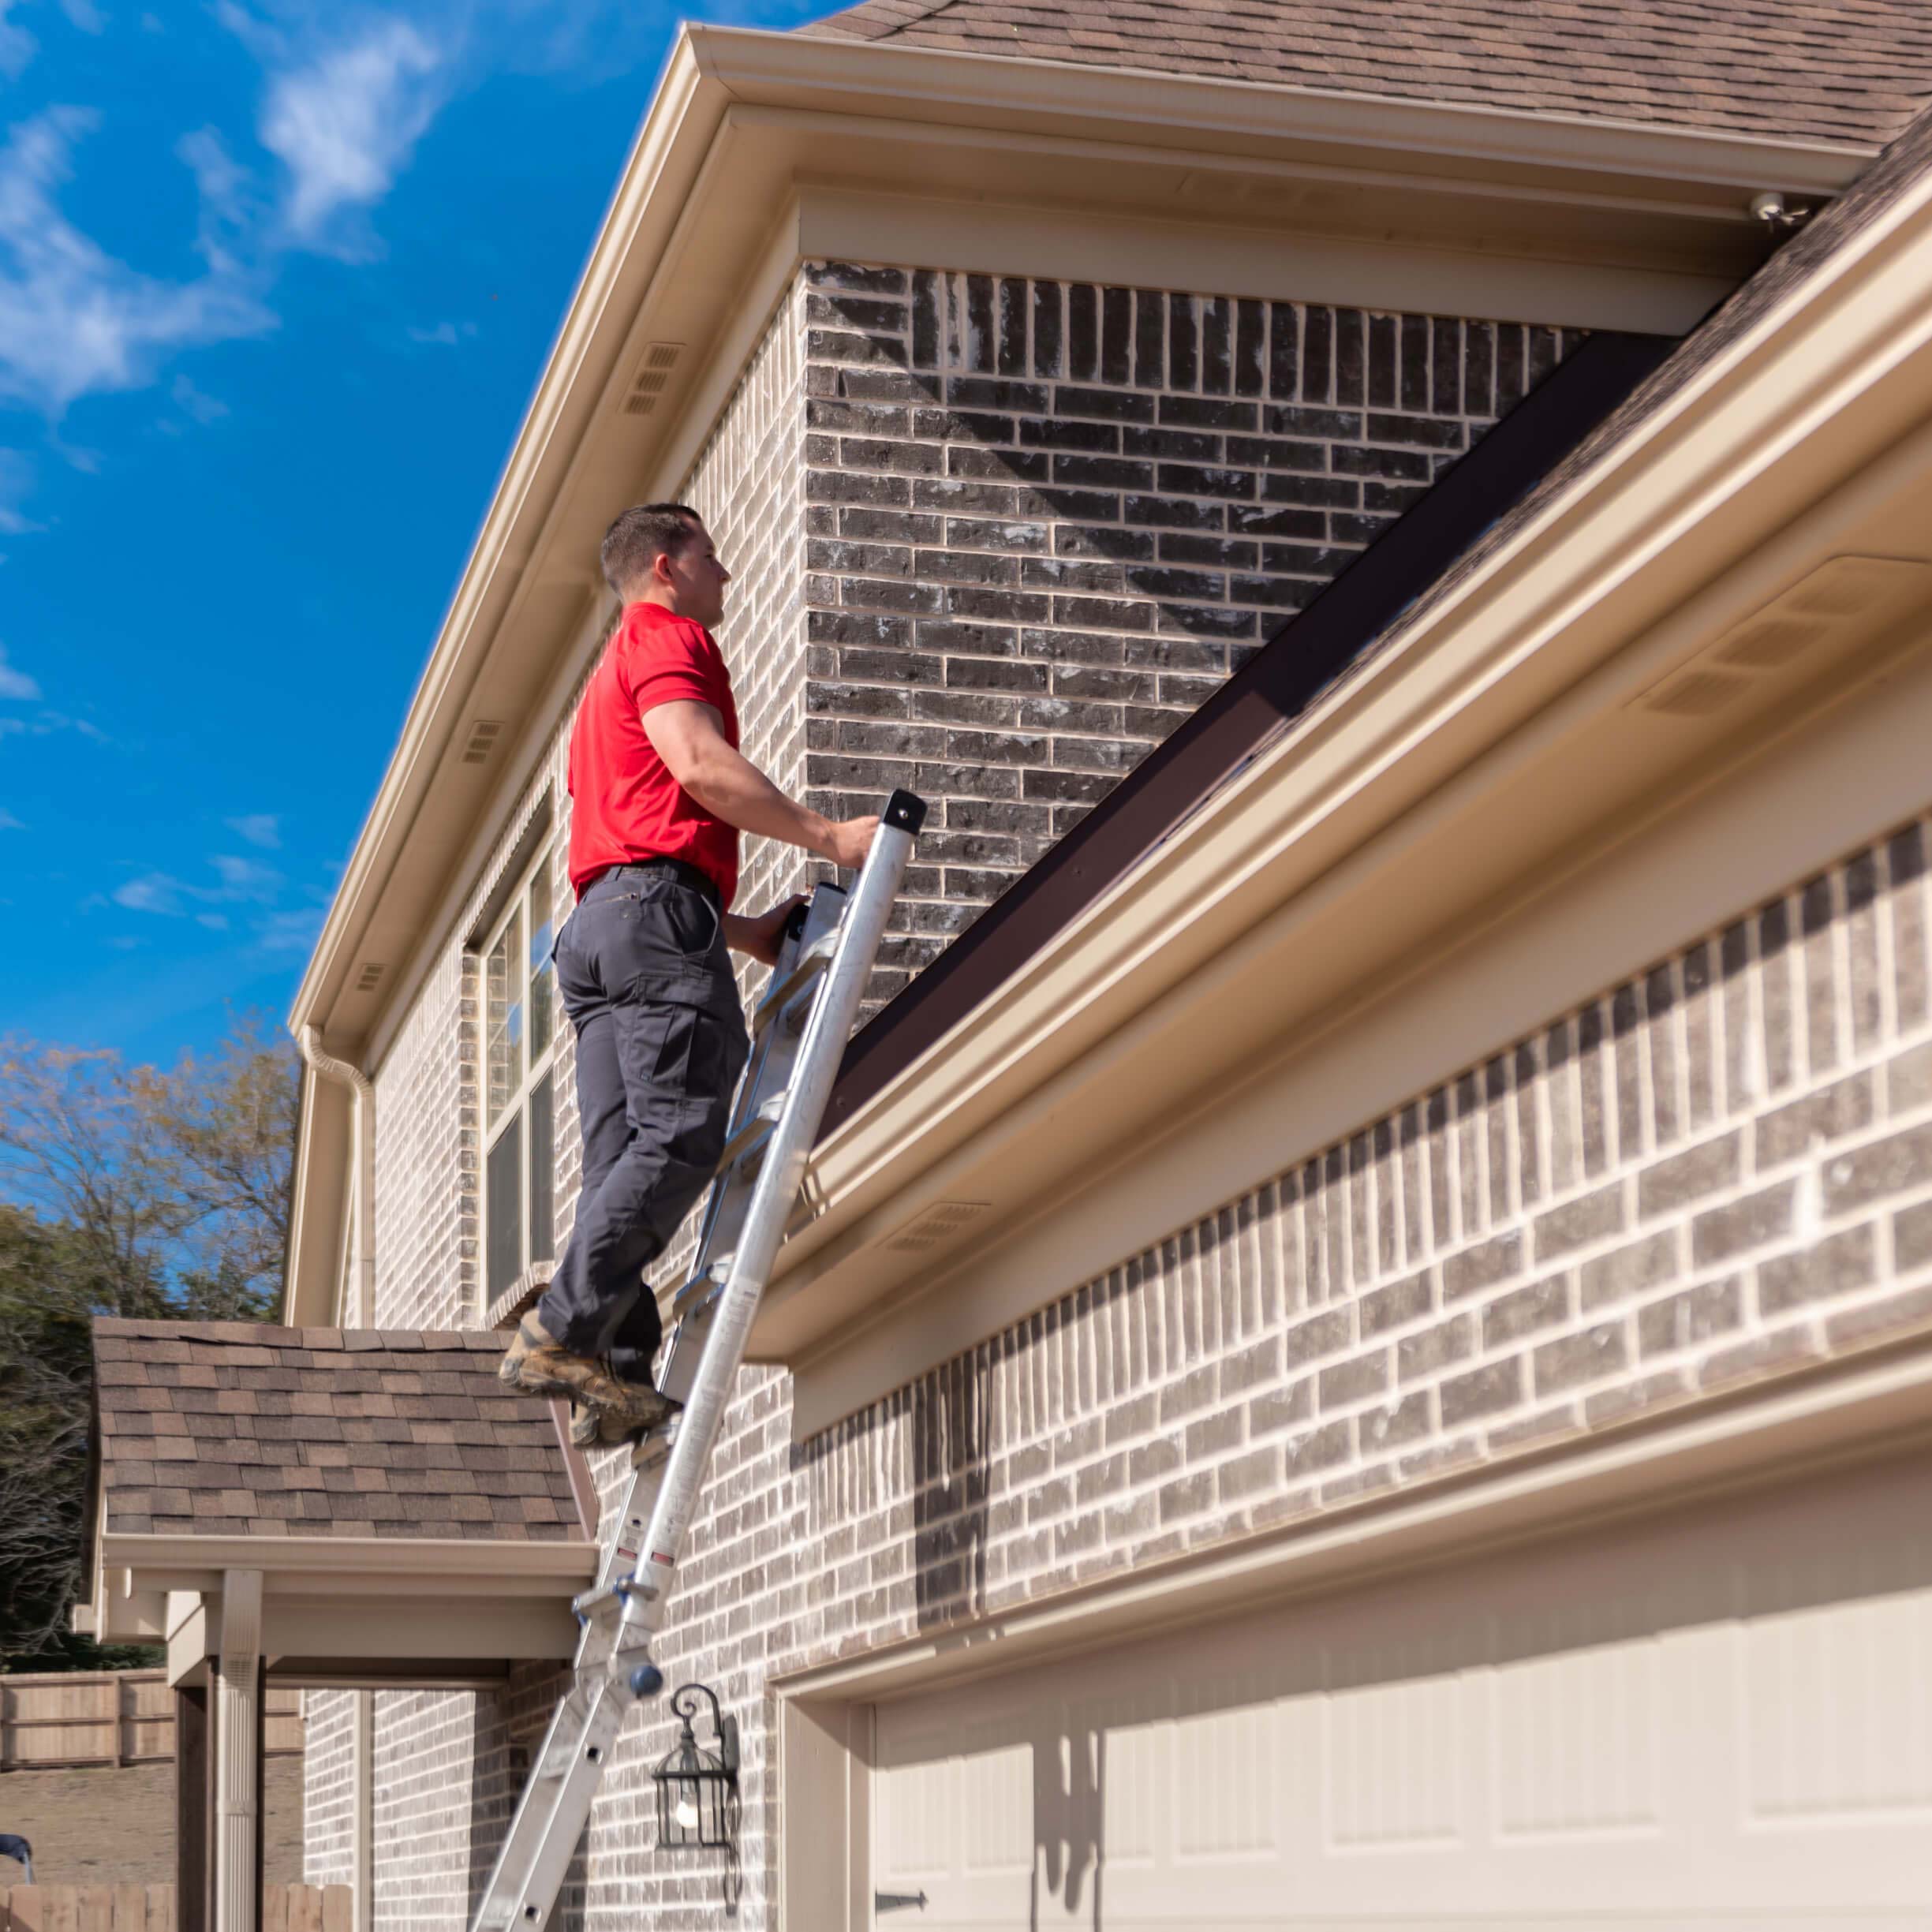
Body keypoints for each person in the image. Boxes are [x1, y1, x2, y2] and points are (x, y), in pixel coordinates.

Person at [499, 503, 877, 1439]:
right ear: (666, 567)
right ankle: (557, 1330)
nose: (728, 574)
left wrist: (738, 932)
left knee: (621, 1160)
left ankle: (614, 1377)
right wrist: (830, 837)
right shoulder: (666, 638)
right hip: (648, 921)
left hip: (598, 931)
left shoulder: (601, 687)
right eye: (712, 556)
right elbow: (699, 765)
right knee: (680, 1135)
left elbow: (635, 829)